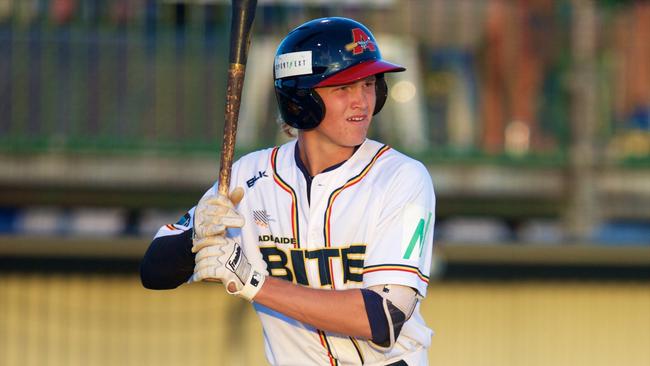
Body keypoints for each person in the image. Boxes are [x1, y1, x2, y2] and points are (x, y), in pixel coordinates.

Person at [140, 17, 436, 366]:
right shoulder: (250, 177)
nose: (362, 101)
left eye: (369, 84)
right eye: (343, 88)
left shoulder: (402, 177)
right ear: (301, 100)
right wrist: (197, 238)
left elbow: (383, 319)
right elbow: (154, 271)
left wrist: (253, 282)